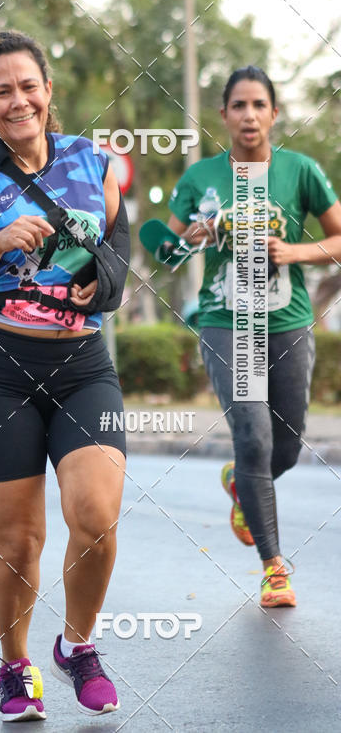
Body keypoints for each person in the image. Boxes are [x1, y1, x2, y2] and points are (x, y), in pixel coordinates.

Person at [0, 30, 128, 721]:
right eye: (1, 92)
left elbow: (119, 257)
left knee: (97, 518)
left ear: (48, 92)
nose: (18, 101)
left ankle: (77, 647)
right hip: (1, 374)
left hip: (83, 367)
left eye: (28, 86)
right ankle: (16, 669)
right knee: (20, 542)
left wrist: (97, 289)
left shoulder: (91, 160)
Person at [166, 66, 341, 607]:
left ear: (274, 113)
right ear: (224, 115)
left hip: (287, 319)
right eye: (238, 105)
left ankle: (240, 482)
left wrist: (295, 252)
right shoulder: (201, 178)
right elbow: (168, 250)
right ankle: (274, 569)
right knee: (255, 437)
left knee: (285, 446)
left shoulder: (299, 170)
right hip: (225, 319)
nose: (248, 115)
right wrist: (197, 234)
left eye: (258, 105)